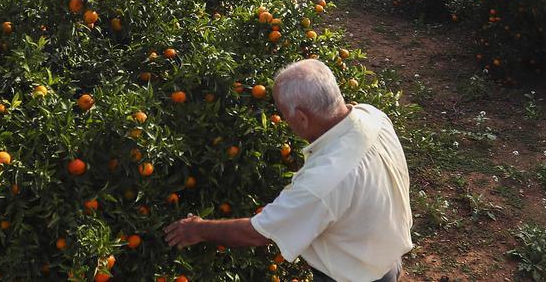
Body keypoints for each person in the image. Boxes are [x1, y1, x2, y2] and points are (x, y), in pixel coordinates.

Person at [163, 58, 413, 282]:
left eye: (284, 115)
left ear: (302, 118)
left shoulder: (324, 182)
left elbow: (257, 234)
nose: (285, 122)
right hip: (384, 259)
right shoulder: (372, 116)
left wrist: (197, 229)